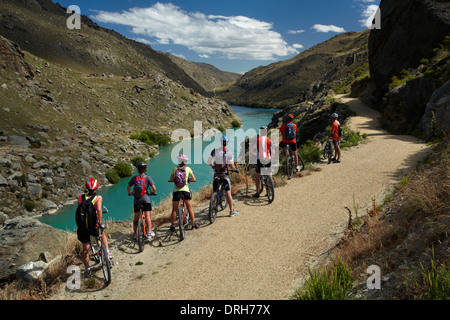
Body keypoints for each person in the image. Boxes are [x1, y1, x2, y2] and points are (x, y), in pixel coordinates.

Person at [77, 178, 111, 276]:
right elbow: (99, 210)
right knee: (102, 234)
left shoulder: (80, 197)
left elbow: (80, 211)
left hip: (83, 227)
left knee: (85, 249)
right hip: (93, 225)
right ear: (96, 187)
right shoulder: (98, 198)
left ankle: (87, 269)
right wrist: (99, 223)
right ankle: (107, 252)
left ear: (86, 188)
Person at [207, 135, 239, 216]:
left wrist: (213, 166)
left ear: (220, 142)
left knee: (215, 191)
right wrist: (235, 170)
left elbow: (208, 161)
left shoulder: (214, 151)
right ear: (227, 143)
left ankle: (212, 208)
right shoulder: (229, 153)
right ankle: (231, 211)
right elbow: (232, 166)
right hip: (224, 175)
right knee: (228, 192)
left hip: (216, 175)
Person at [127, 162, 157, 240]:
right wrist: (153, 193)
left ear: (138, 170)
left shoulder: (135, 178)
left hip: (137, 200)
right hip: (145, 199)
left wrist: (130, 193)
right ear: (145, 169)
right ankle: (149, 233)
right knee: (147, 216)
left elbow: (128, 187)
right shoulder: (148, 178)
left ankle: (134, 234)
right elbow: (154, 188)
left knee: (136, 217)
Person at [169, 154, 198, 231]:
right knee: (190, 208)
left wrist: (173, 180)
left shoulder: (174, 169)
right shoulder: (188, 169)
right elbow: (194, 179)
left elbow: (171, 179)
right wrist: (189, 180)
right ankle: (194, 224)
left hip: (176, 191)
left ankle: (172, 226)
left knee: (174, 210)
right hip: (185, 191)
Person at [253, 126, 273, 198]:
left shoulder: (257, 140)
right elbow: (272, 151)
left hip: (259, 159)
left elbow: (253, 150)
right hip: (268, 159)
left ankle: (257, 192)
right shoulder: (269, 140)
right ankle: (270, 191)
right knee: (269, 173)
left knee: (257, 176)